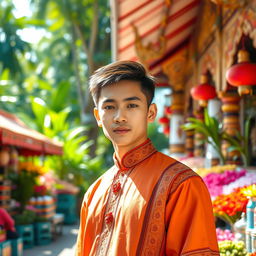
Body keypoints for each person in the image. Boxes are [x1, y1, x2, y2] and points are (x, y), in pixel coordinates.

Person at [76, 61, 219, 256]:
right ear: (98, 117)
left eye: (132, 105)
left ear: (150, 112)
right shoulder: (93, 193)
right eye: (109, 107)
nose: (120, 116)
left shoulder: (181, 185)